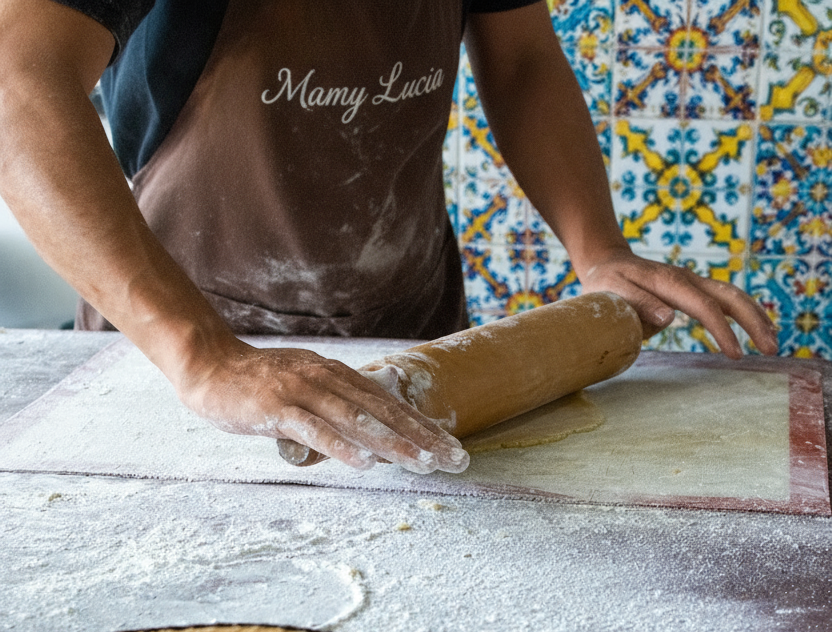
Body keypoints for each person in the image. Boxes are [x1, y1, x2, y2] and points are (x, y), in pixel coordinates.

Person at [0, 0, 779, 473]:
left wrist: (598, 248)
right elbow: (19, 86)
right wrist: (202, 354)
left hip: (409, 328)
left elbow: (522, 61)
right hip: (179, 349)